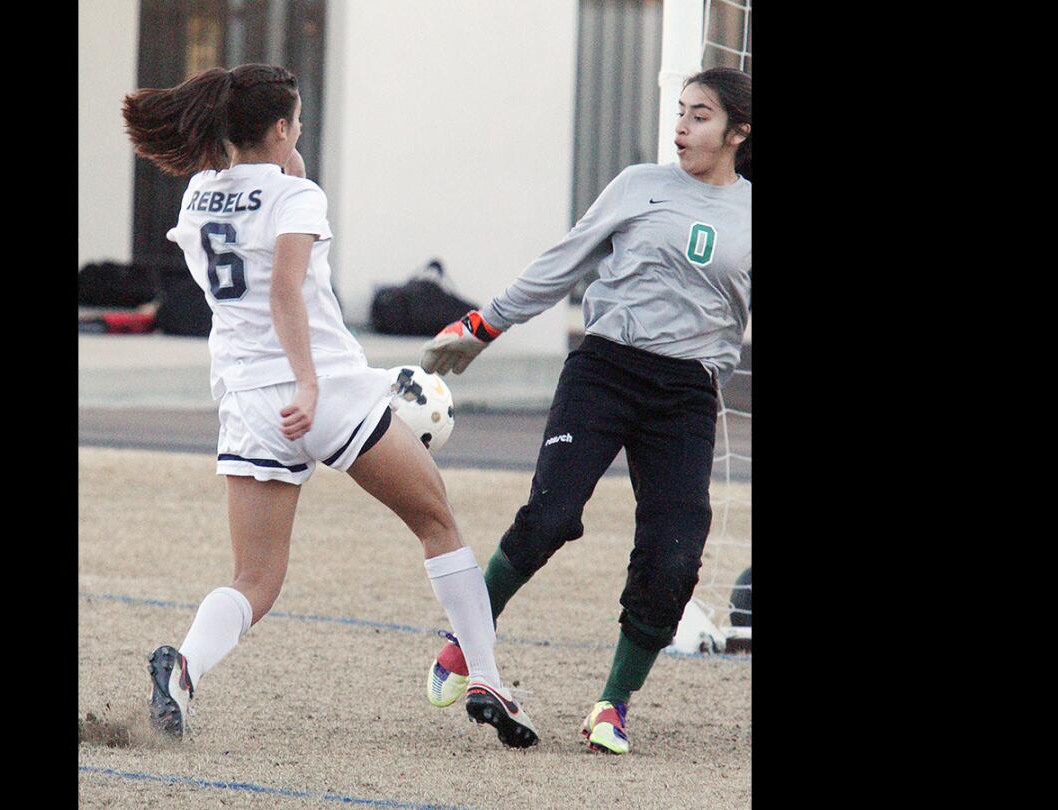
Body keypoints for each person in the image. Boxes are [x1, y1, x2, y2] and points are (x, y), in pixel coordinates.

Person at [121, 63, 538, 749]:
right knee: (436, 520)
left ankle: (186, 668)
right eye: (297, 124)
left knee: (254, 578)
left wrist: (275, 151)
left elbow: (259, 217)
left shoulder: (198, 195)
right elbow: (287, 289)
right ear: (281, 127)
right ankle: (488, 675)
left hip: (249, 399)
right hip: (326, 393)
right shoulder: (298, 199)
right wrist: (311, 383)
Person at [419, 66, 751, 755]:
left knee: (673, 558)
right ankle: (465, 641)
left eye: (699, 117)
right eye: (681, 112)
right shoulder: (640, 185)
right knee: (550, 517)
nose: (681, 127)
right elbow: (565, 261)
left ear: (738, 133)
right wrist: (484, 325)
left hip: (686, 394)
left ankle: (612, 705)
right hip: (605, 369)